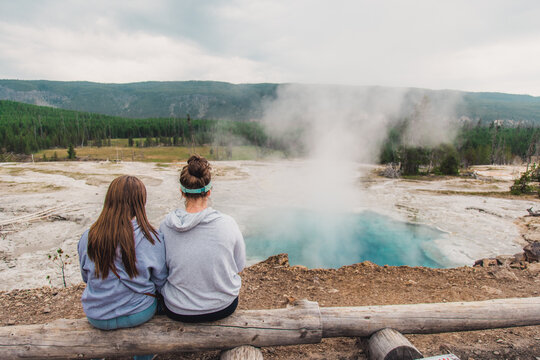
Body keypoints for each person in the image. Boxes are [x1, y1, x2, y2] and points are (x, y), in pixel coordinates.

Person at [78, 175, 166, 360]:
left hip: (98, 315)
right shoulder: (151, 237)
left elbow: (86, 276)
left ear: (109, 200)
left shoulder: (88, 237)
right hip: (139, 313)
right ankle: (143, 357)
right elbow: (160, 280)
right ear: (140, 202)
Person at [160, 154, 246, 323]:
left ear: (182, 193)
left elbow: (161, 272)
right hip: (222, 307)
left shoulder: (165, 226)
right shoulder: (228, 224)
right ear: (209, 191)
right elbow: (239, 267)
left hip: (178, 309)